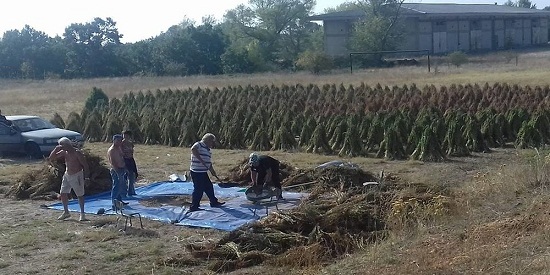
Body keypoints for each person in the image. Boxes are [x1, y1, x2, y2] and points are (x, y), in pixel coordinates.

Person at [48, 137, 90, 221]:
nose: (61, 147)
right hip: (67, 174)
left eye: (62, 145)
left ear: (67, 144)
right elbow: (51, 158)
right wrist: (56, 149)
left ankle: (82, 214)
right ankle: (66, 212)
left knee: (79, 194)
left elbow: (85, 165)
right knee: (63, 193)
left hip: (77, 174)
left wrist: (86, 177)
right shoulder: (64, 152)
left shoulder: (77, 153)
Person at [189, 133, 225, 212]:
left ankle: (213, 202)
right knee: (199, 189)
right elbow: (193, 149)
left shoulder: (208, 150)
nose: (213, 144)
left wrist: (212, 171)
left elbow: (208, 162)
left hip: (203, 171)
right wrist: (201, 160)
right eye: (212, 142)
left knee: (209, 186)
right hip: (196, 171)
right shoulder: (199, 144)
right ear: (208, 140)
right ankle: (194, 206)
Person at [108, 134, 127, 209]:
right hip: (116, 170)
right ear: (114, 140)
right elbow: (113, 162)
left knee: (120, 186)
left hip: (121, 168)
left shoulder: (118, 148)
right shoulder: (112, 150)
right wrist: (117, 172)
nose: (120, 142)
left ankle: (119, 201)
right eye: (118, 141)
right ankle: (114, 203)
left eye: (120, 141)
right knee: (116, 186)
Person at [122, 130, 138, 196]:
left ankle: (131, 190)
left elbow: (132, 152)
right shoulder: (121, 144)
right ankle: (124, 191)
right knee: (125, 175)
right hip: (124, 160)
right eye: (124, 135)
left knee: (132, 175)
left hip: (130, 159)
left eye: (127, 136)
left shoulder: (131, 143)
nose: (125, 137)